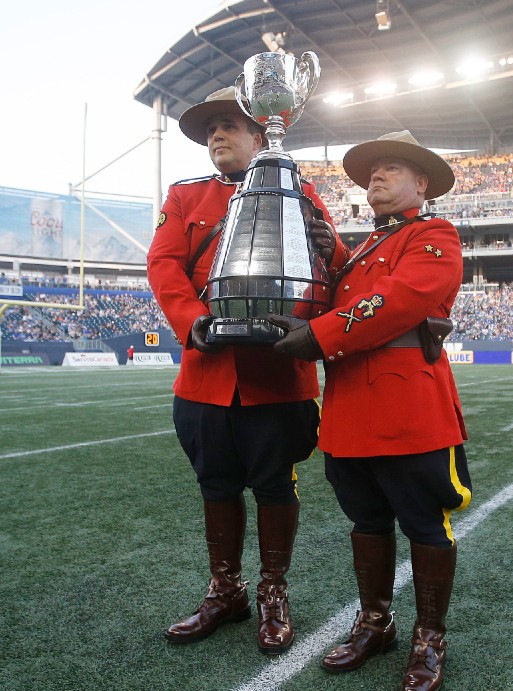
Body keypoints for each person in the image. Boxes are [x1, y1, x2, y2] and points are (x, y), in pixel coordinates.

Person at [269, 130, 469, 691]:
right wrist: (323, 246)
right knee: (367, 522)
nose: (375, 179)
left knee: (425, 524)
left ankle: (429, 637)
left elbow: (402, 299)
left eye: (390, 169)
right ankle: (376, 624)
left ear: (420, 183)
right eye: (371, 172)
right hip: (351, 410)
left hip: (410, 410)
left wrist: (319, 335)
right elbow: (344, 290)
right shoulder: (360, 249)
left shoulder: (434, 234)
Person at [146, 87, 344, 655]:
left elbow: (332, 269)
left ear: (263, 134)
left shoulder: (299, 190)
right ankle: (225, 590)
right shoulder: (186, 196)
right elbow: (163, 266)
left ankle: (273, 593)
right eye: (211, 130)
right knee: (216, 485)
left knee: (276, 486)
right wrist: (192, 321)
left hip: (277, 379)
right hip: (205, 375)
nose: (217, 136)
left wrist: (331, 253)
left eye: (229, 126)